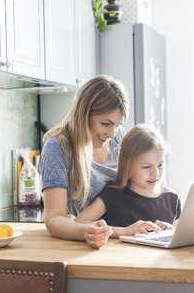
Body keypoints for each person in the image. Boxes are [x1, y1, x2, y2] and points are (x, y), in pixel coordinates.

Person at [39, 75, 129, 249]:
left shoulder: (118, 136)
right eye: (105, 124)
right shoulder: (57, 147)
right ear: (84, 114)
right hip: (92, 244)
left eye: (117, 125)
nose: (112, 134)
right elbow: (54, 219)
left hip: (127, 238)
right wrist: (86, 231)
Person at [75, 124, 181, 238]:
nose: (155, 173)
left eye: (160, 165)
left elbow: (182, 235)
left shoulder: (172, 199)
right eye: (146, 167)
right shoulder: (112, 195)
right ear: (128, 165)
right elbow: (77, 224)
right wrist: (125, 231)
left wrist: (172, 231)